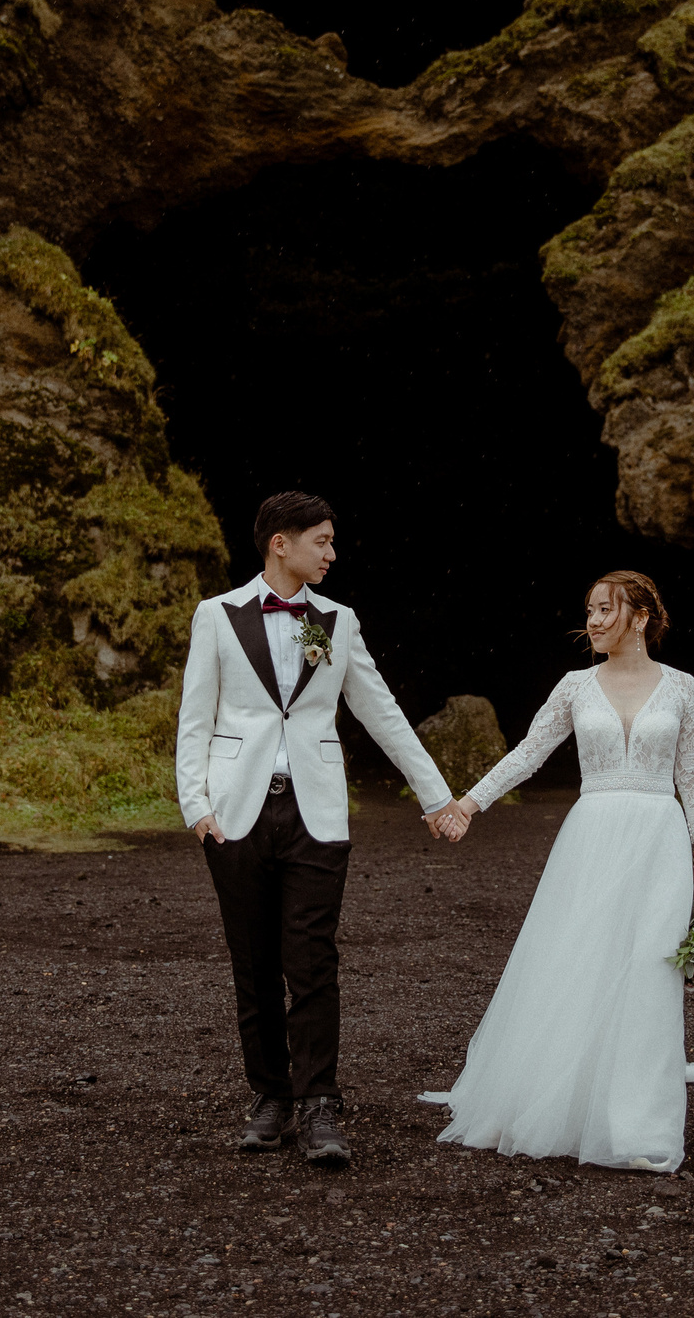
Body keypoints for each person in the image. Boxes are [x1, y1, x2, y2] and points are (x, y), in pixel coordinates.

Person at [177, 490, 466, 1169]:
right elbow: (195, 716)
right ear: (281, 542)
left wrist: (436, 797)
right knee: (253, 963)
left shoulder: (337, 621)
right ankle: (270, 1096)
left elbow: (382, 711)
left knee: (311, 960)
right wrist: (195, 805)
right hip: (235, 813)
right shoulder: (216, 615)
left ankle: (318, 1103)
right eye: (322, 541)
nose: (333, 553)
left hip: (317, 812)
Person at [418, 569, 694, 1172]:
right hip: (592, 838)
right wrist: (468, 805)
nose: (593, 621)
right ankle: (560, 1102)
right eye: (589, 610)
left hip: (659, 838)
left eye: (606, 609)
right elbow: (528, 753)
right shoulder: (575, 686)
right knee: (579, 959)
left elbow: (691, 774)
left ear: (640, 617)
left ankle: (634, 1122)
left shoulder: (683, 688)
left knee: (649, 969)